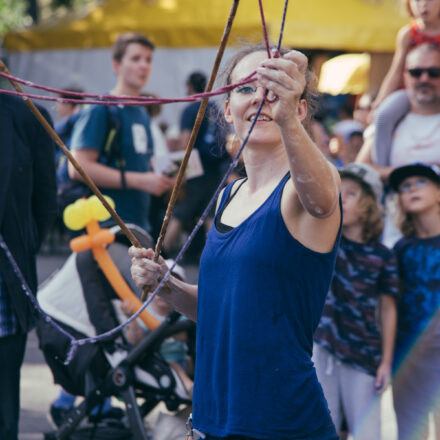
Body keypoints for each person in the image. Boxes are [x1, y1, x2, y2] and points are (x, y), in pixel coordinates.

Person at [130, 44, 342, 439]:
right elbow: (222, 306)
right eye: (246, 87)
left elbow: (323, 199)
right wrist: (167, 285)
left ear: (298, 107)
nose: (261, 96)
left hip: (280, 423)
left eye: (273, 87)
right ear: (227, 110)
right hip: (216, 419)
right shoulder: (229, 195)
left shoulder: (309, 185)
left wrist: (288, 118)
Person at [313, 162, 399, 440]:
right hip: (322, 348)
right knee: (322, 428)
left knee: (367, 432)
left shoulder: (383, 256)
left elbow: (387, 309)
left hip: (363, 354)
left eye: (351, 194)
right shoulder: (324, 244)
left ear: (369, 204)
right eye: (338, 192)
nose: (341, 199)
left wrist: (386, 361)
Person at [68, 32, 175, 233]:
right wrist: (141, 181)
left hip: (139, 226)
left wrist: (168, 174)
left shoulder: (143, 113)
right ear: (116, 65)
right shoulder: (99, 108)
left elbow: (142, 162)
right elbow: (76, 167)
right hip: (102, 229)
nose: (144, 65)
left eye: (148, 60)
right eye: (135, 59)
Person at [0, 94, 57, 440]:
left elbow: (44, 202)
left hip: (5, 286)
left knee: (5, 416)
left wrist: (19, 248)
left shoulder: (25, 114)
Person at [358, 43, 440, 246]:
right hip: (395, 238)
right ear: (405, 77)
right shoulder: (389, 121)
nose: (424, 79)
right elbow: (361, 169)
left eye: (434, 72)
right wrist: (406, 173)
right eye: (416, 72)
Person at [388, 163, 440, 440]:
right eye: (405, 187)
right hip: (408, 357)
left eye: (421, 182)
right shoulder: (400, 248)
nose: (411, 189)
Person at [163, 71, 229, 259]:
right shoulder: (216, 109)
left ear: (190, 87)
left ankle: (164, 253)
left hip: (195, 171)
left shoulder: (191, 110)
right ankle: (213, 257)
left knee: (180, 213)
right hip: (215, 171)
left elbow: (185, 142)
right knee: (209, 214)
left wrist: (179, 172)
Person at [371, 0, 440, 111]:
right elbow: (396, 71)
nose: (424, 4)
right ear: (408, 4)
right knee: (384, 116)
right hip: (412, 94)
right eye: (417, 0)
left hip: (437, 92)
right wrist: (380, 102)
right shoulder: (408, 34)